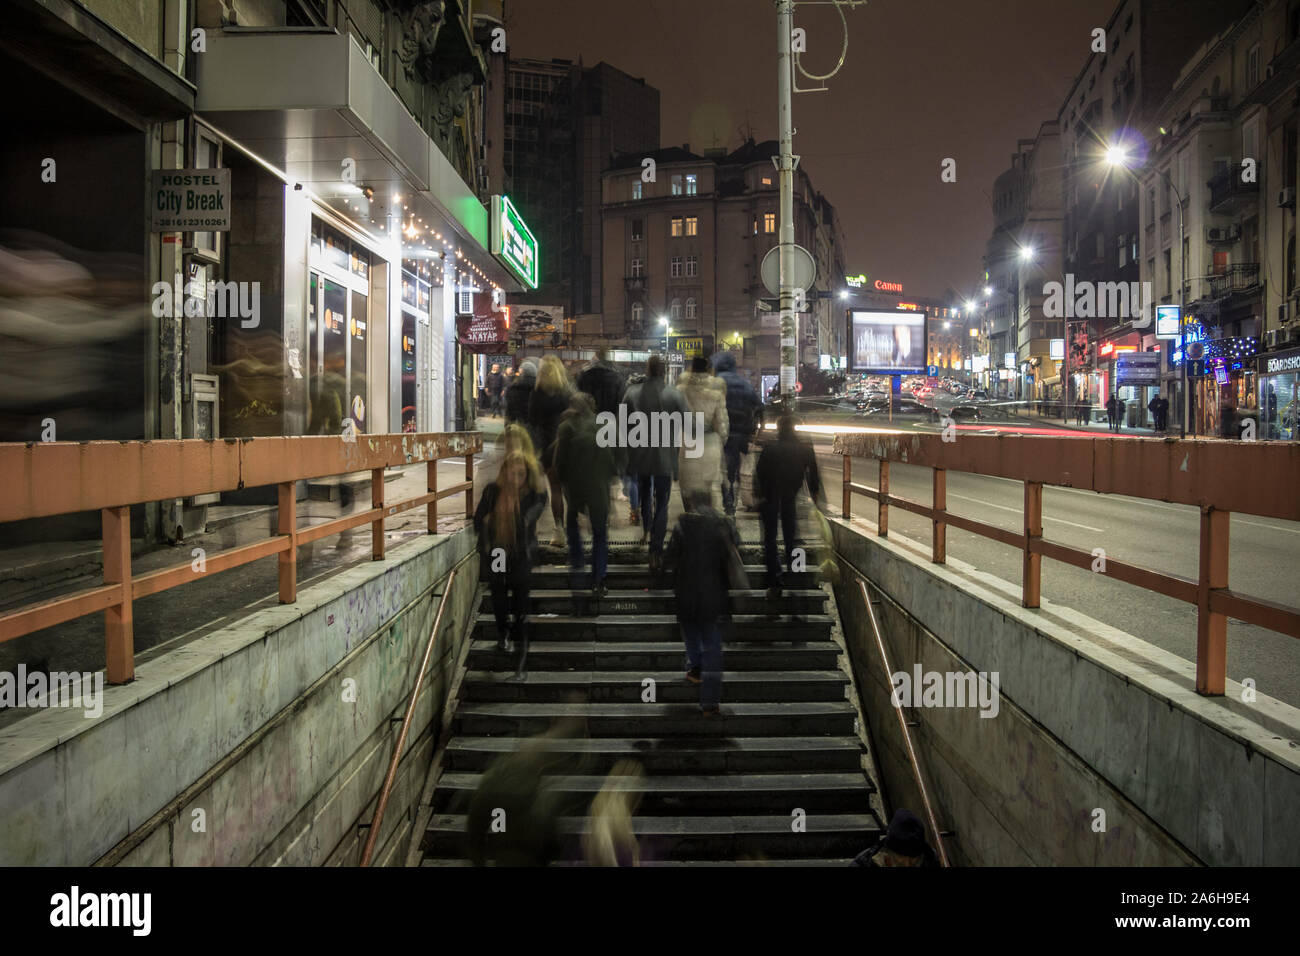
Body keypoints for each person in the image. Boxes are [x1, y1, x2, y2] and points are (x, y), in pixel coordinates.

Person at [663, 489, 742, 717]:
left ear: (691, 504)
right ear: (711, 502)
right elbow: (737, 549)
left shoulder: (682, 526)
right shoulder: (723, 524)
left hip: (686, 594)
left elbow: (669, 559)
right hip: (713, 596)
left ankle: (694, 667)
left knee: (690, 632)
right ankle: (710, 703)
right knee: (713, 646)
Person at [473, 451, 547, 680]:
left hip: (520, 553)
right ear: (504, 471)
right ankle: (503, 633)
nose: (518, 477)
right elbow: (477, 520)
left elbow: (538, 506)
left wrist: (526, 518)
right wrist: (487, 523)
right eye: (513, 472)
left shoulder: (531, 494)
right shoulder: (492, 492)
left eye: (522, 473)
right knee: (498, 595)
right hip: (497, 551)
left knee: (521, 605)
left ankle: (520, 664)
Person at [623, 355, 689, 573]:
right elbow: (689, 423)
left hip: (639, 455)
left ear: (648, 370)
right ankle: (656, 550)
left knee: (644, 496)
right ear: (664, 371)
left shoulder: (632, 393)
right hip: (664, 457)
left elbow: (622, 423)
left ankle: (646, 530)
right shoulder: (674, 394)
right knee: (662, 502)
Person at [555, 392, 618, 597]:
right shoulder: (603, 427)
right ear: (593, 408)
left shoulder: (565, 428)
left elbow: (559, 464)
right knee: (600, 535)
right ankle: (599, 580)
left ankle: (578, 569)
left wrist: (565, 483)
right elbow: (611, 461)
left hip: (575, 489)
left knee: (573, 528)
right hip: (598, 489)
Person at [755, 414, 822, 600]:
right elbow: (814, 476)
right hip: (790, 496)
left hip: (770, 497)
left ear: (779, 429)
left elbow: (759, 473)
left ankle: (775, 581)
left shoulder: (769, 450)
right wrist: (815, 496)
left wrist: (759, 494)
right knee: (792, 537)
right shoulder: (805, 450)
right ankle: (795, 575)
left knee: (770, 539)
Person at [528, 355, 573, 549]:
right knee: (570, 490)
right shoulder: (566, 392)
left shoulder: (537, 393)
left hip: (547, 446)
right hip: (567, 444)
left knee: (554, 489)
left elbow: (532, 422)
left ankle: (559, 530)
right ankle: (573, 530)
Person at [675, 355, 728, 510]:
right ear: (708, 369)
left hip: (689, 443)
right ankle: (709, 527)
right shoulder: (716, 392)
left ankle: (691, 523)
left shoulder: (680, 390)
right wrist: (722, 441)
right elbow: (721, 424)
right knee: (710, 491)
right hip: (710, 445)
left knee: (688, 493)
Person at [712, 352, 762, 517]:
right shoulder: (744, 384)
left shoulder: (715, 383)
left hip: (722, 435)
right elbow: (760, 407)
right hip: (742, 435)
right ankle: (738, 498)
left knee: (725, 471)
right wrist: (755, 430)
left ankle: (729, 504)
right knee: (739, 470)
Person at [850, 809, 940, 867]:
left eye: (913, 862)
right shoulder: (864, 863)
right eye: (901, 863)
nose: (907, 866)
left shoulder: (931, 860)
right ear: (888, 855)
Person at [577, 346, 625, 419]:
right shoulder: (617, 378)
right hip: (610, 420)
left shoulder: (585, 376)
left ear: (597, 358)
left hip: (588, 421)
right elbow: (621, 402)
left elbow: (578, 398)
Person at [505, 359, 536, 427]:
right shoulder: (540, 387)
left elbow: (510, 410)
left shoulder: (513, 388)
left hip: (519, 423)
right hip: (536, 425)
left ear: (521, 371)